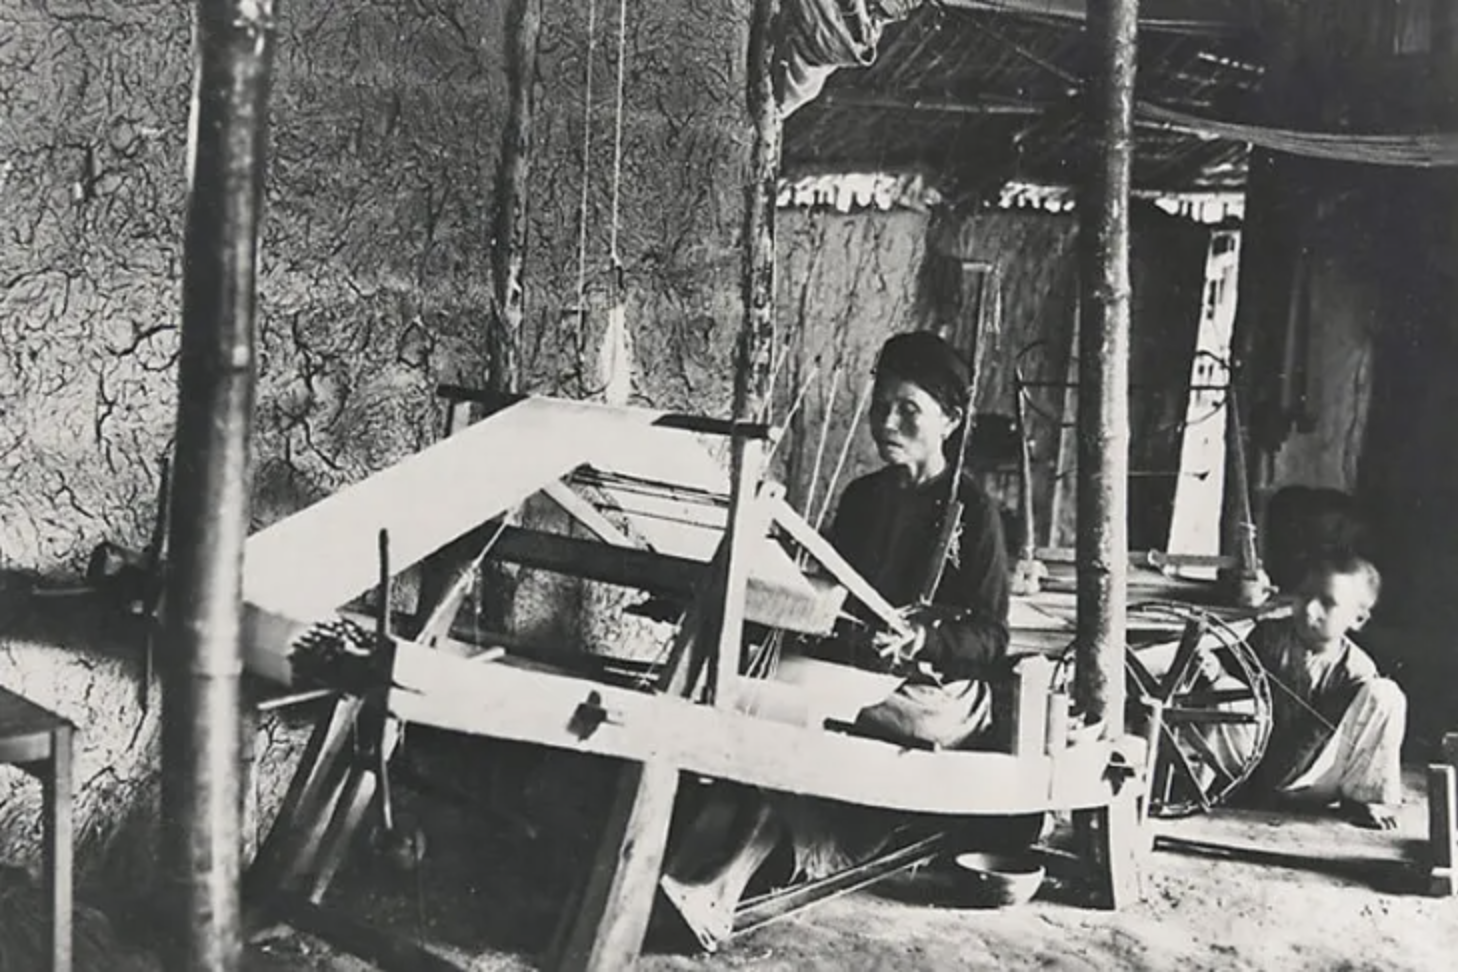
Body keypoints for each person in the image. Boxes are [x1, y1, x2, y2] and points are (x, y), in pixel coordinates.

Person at [658, 331, 1018, 950]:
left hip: (935, 691)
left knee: (804, 716)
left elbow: (991, 636)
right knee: (767, 696)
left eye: (909, 410)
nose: (888, 422)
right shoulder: (863, 499)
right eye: (882, 407)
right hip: (857, 672)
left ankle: (719, 878)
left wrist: (924, 638)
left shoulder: (972, 511)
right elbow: (825, 594)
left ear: (951, 421)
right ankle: (696, 874)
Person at [1204, 551, 1406, 829]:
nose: (1309, 609)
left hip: (1314, 779)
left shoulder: (1356, 669)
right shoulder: (1267, 635)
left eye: (1327, 602)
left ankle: (1363, 800)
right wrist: (1214, 668)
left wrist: (1277, 779)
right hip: (1249, 768)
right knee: (1225, 688)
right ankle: (1223, 783)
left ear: (1358, 619)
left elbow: (1311, 741)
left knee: (1385, 694)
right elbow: (1231, 673)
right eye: (1304, 595)